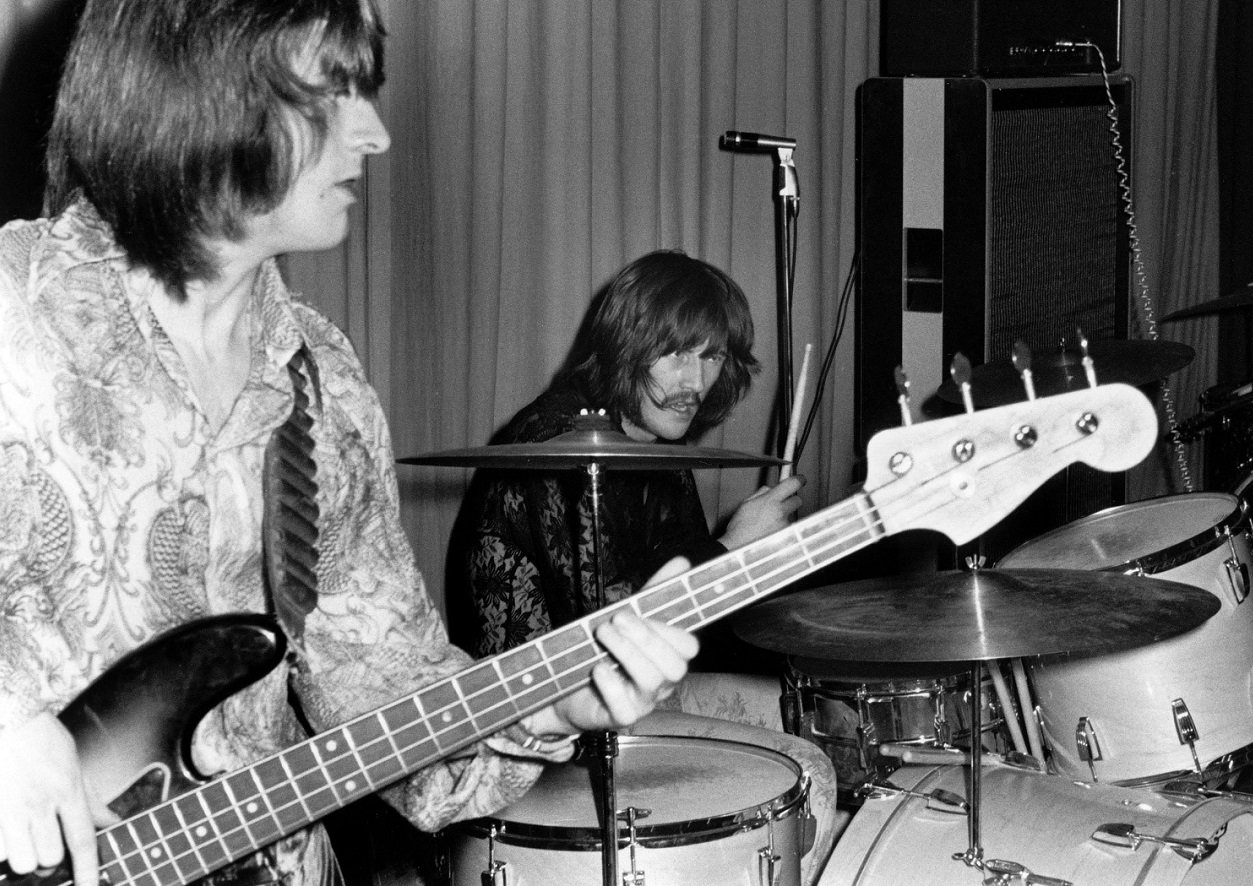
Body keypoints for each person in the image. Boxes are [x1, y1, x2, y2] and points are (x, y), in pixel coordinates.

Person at [0, 4, 695, 886]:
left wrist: (557, 701)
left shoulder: (319, 378)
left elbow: (388, 692)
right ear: (201, 90)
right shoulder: (15, 313)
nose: (374, 134)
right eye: (334, 94)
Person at [453, 250, 804, 659]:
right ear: (626, 345)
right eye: (678, 353)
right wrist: (733, 545)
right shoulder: (552, 440)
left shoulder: (659, 439)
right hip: (534, 711)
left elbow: (692, 614)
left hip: (635, 692)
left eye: (712, 356)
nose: (696, 381)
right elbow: (611, 626)